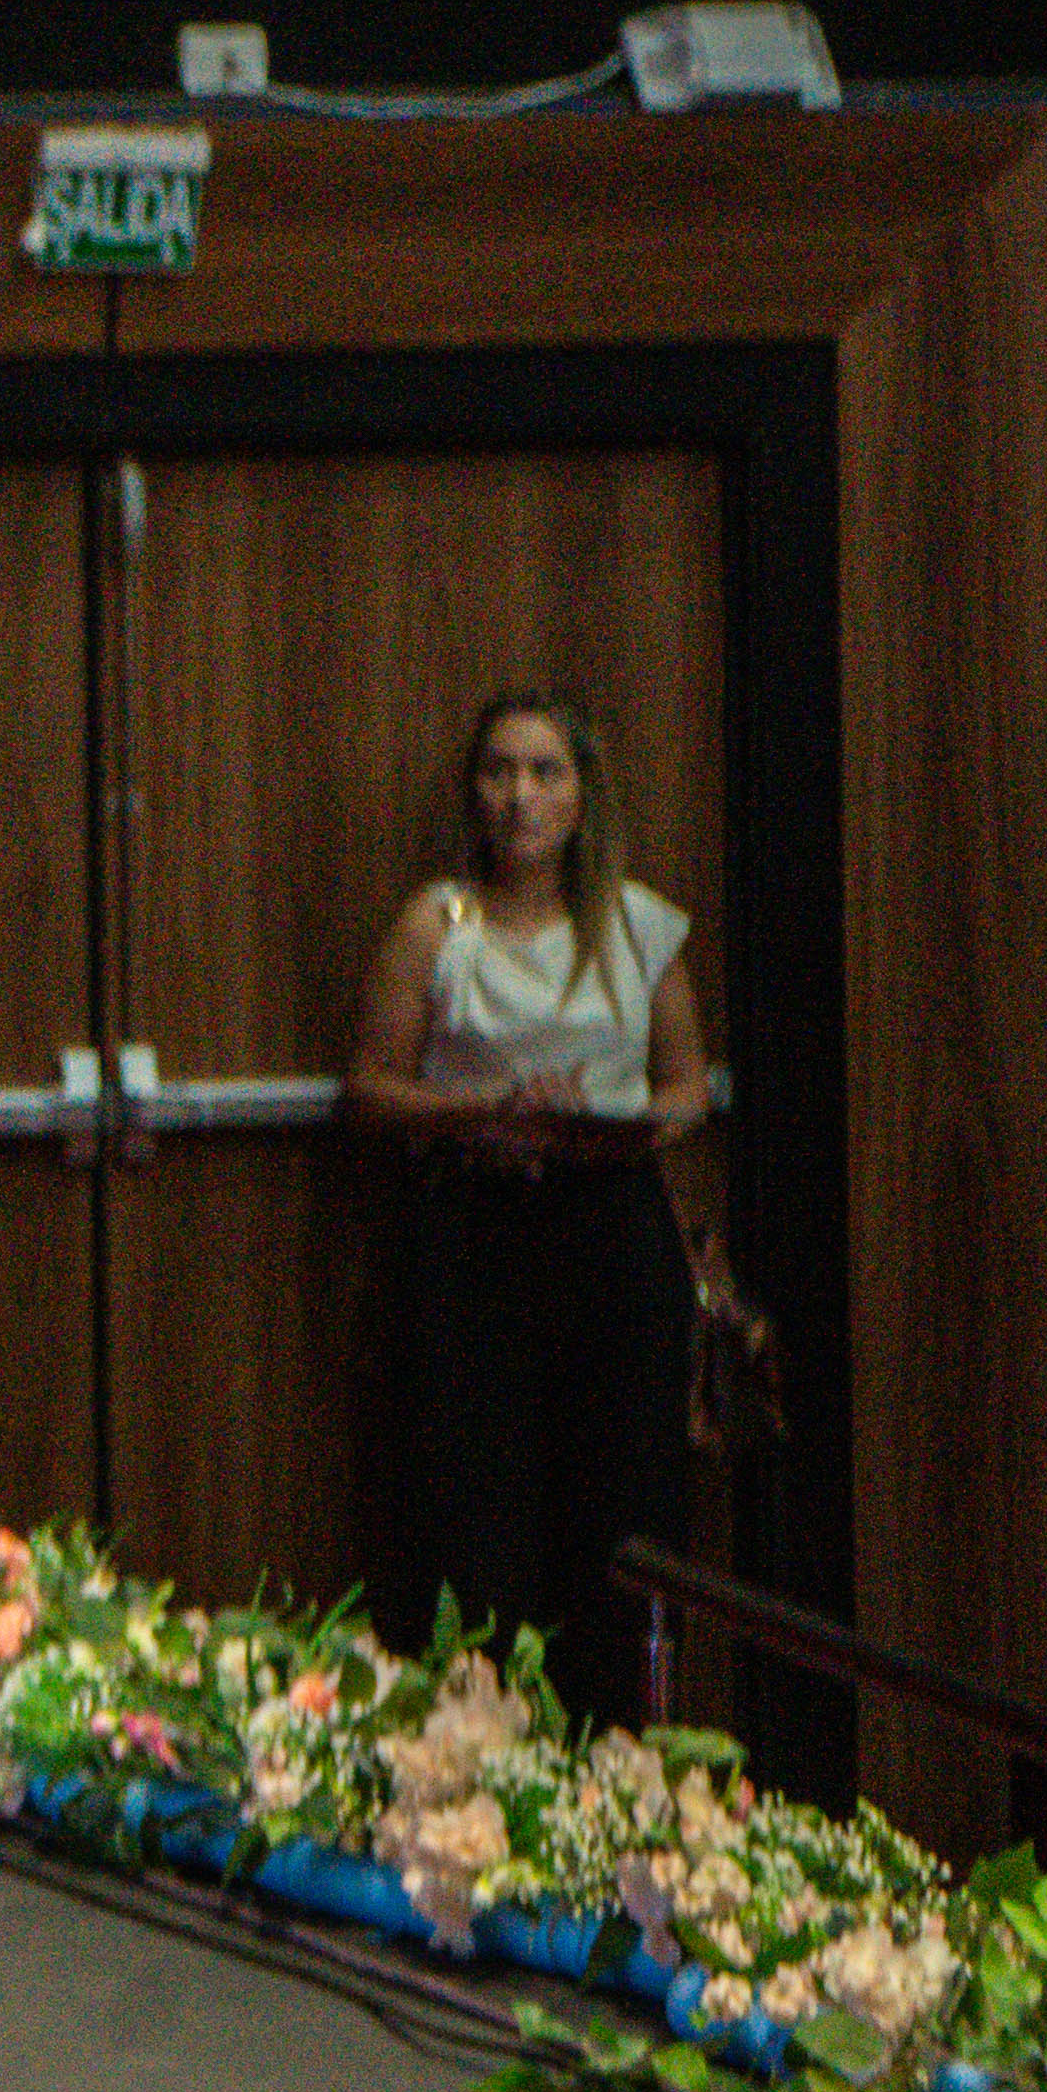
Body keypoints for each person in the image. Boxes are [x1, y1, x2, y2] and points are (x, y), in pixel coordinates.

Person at [344, 687, 711, 1708]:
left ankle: (619, 1741)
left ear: (583, 798)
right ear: (474, 794)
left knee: (623, 1497)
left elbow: (687, 1083)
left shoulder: (638, 925)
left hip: (612, 1231)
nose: (520, 795)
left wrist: (626, 1120)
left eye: (545, 772)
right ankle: (480, 1735)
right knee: (473, 1502)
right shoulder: (436, 922)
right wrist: (477, 1110)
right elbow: (369, 1086)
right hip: (475, 1231)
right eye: (499, 771)